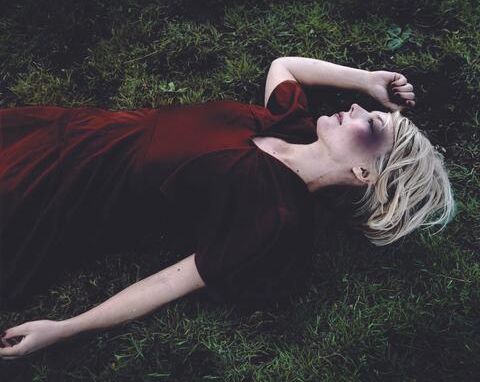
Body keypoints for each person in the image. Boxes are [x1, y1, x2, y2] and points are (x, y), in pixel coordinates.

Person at [0, 56, 455, 359]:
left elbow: (171, 281)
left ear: (364, 174)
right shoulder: (291, 123)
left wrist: (66, 328)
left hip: (70, 190)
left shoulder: (275, 219)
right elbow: (284, 66)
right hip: (81, 130)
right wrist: (367, 79)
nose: (355, 107)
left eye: (370, 123)